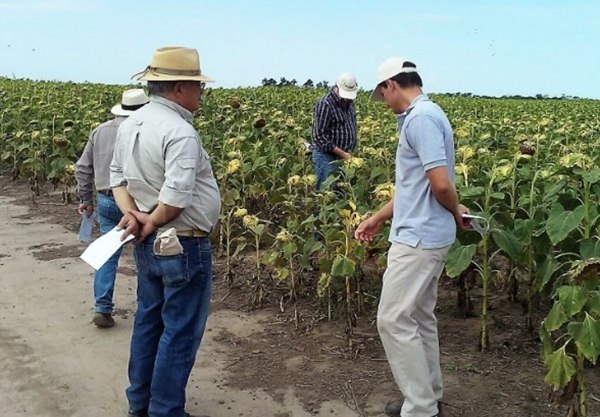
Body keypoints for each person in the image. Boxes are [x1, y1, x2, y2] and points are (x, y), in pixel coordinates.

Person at [354, 57, 471, 417]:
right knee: (419, 317)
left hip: (418, 239)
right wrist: (377, 218)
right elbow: (416, 186)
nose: (385, 104)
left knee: (392, 319)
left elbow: (439, 184)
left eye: (383, 95)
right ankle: (428, 395)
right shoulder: (429, 114)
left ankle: (420, 408)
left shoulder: (420, 120)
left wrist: (455, 207)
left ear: (391, 85)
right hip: (427, 233)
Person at [110, 46, 220, 417]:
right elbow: (175, 199)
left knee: (148, 323)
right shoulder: (180, 132)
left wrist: (134, 218)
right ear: (178, 89)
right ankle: (166, 410)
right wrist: (152, 220)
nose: (200, 94)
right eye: (197, 87)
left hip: (147, 242)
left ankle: (139, 403)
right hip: (183, 243)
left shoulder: (130, 124)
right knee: (180, 331)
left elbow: (117, 180)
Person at [75, 88, 149, 328]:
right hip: (139, 201)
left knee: (108, 255)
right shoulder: (148, 130)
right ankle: (146, 309)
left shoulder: (100, 130)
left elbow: (83, 167)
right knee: (146, 255)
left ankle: (102, 308)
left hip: (107, 198)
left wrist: (86, 199)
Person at [311, 72, 358, 189]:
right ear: (336, 87)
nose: (347, 98)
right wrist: (342, 154)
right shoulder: (325, 104)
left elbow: (352, 125)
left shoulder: (350, 104)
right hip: (327, 157)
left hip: (345, 156)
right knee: (326, 192)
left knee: (340, 191)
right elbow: (319, 136)